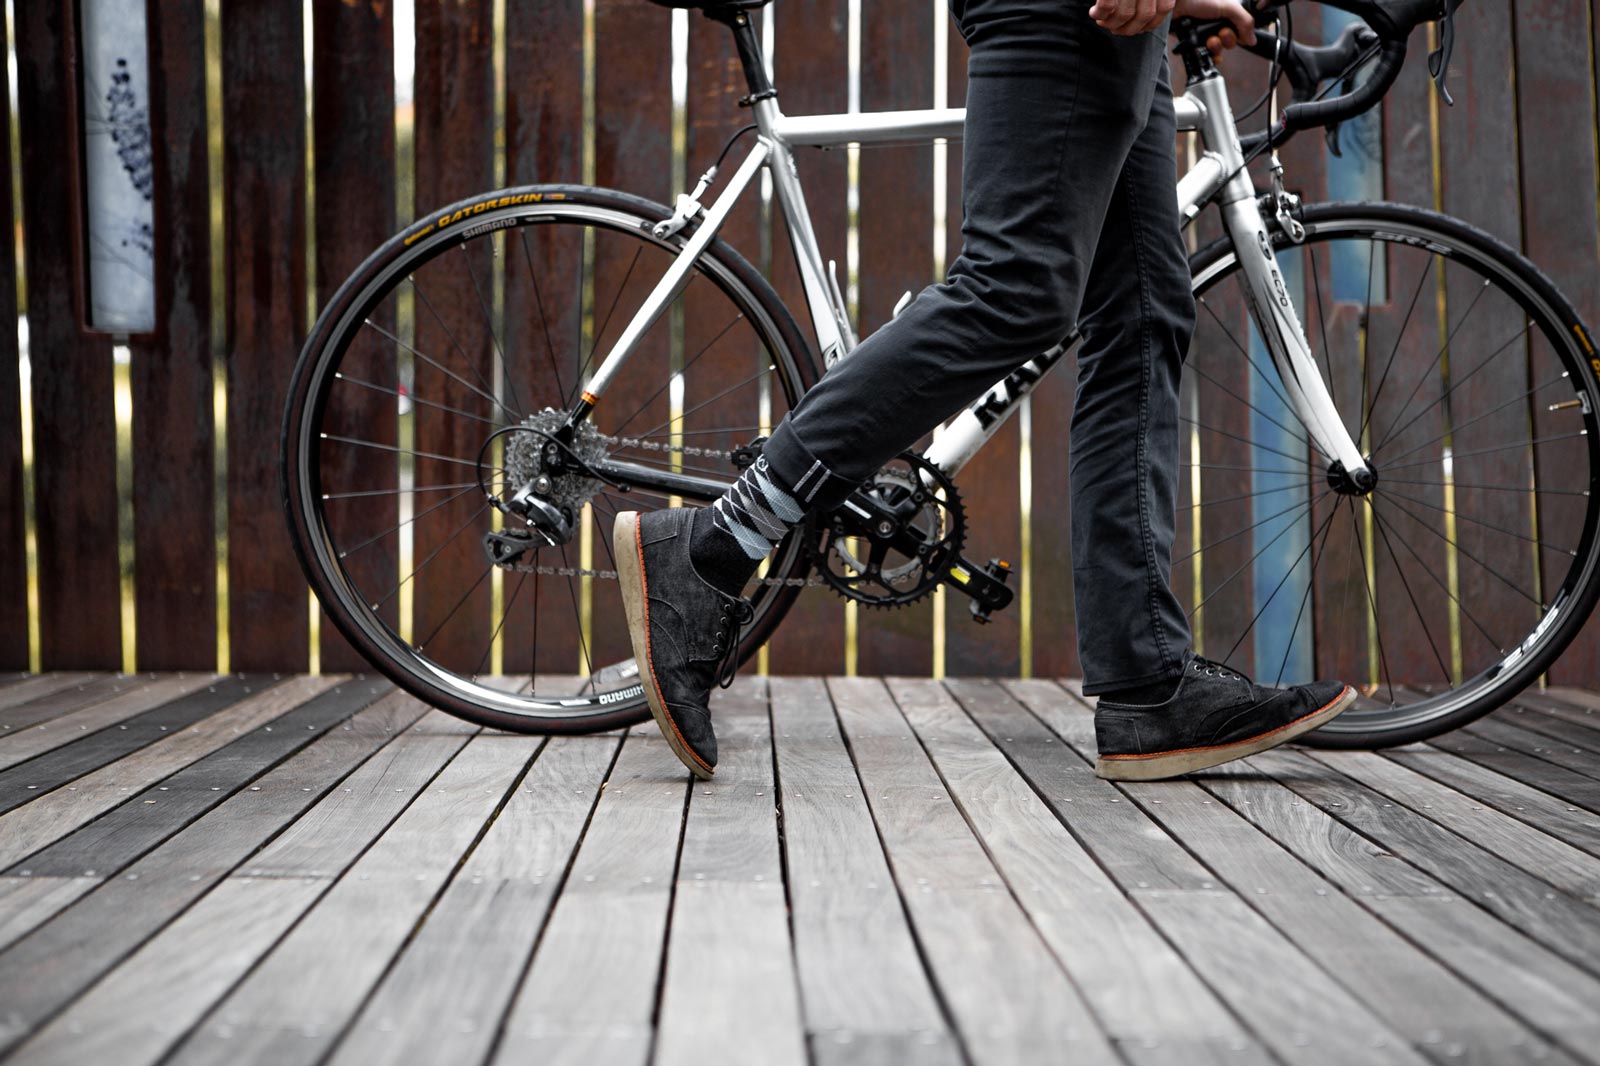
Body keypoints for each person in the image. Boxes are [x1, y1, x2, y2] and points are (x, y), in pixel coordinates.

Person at [614, 0, 1355, 783]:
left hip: (1117, 30)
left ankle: (1146, 688)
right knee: (1017, 287)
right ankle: (721, 540)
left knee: (1143, 312)